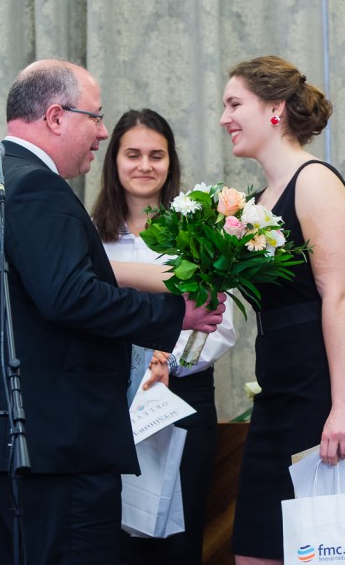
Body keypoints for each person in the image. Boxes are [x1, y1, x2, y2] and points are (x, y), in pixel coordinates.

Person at [0, 60, 225, 565]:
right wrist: (173, 313)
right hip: (54, 443)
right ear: (55, 116)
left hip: (3, 441)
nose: (101, 133)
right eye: (95, 117)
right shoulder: (35, 187)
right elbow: (70, 296)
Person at [220, 55, 345, 564]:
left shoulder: (315, 181)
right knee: (255, 551)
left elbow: (338, 298)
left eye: (234, 104)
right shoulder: (257, 200)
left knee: (329, 556)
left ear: (274, 108)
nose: (225, 118)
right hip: (277, 392)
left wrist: (344, 406)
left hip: (323, 392)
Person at [92, 108, 237, 564]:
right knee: (114, 540)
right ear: (114, 161)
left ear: (171, 161)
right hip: (110, 400)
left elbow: (221, 323)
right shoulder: (89, 237)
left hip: (184, 397)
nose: (145, 165)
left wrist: (167, 360)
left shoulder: (199, 236)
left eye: (156, 155)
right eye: (132, 154)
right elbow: (81, 313)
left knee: (179, 539)